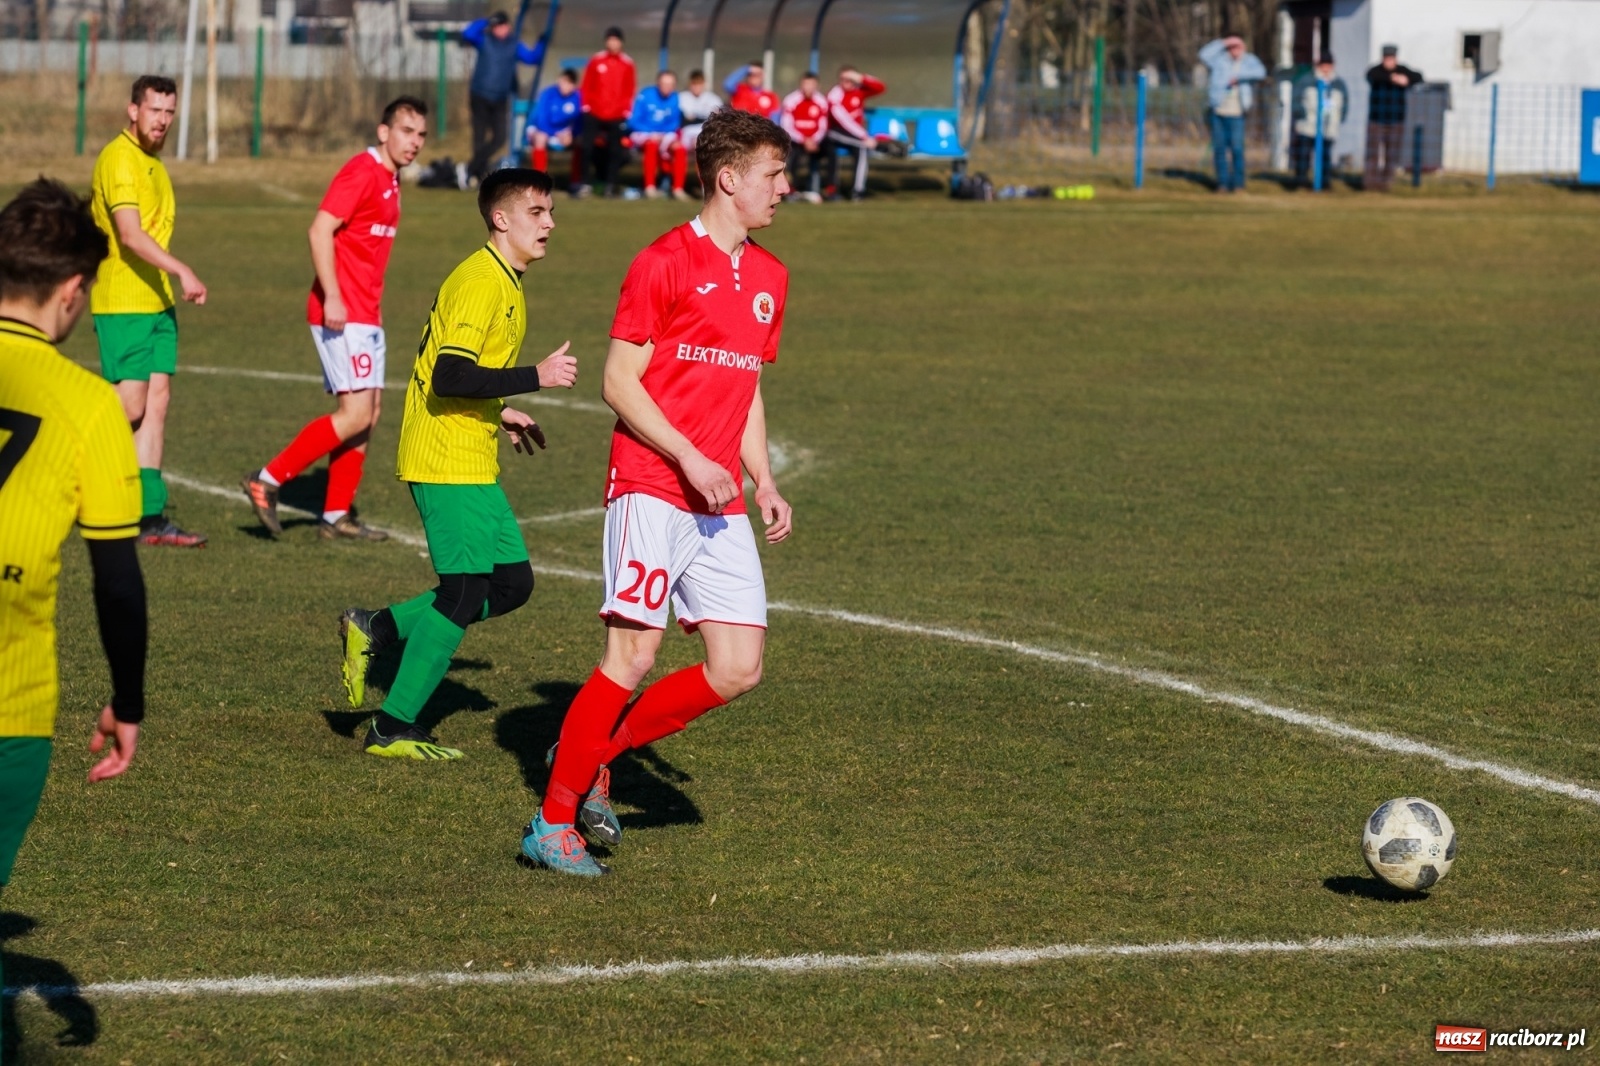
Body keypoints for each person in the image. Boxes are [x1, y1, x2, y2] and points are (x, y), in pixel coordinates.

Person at [523, 108, 794, 877]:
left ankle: (599, 752)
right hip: (650, 481)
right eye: (773, 175)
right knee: (632, 655)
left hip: (719, 500)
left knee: (739, 666)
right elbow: (618, 382)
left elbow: (744, 388)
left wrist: (761, 479)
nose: (785, 189)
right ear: (728, 178)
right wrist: (686, 455)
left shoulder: (770, 277)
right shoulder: (662, 262)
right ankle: (549, 824)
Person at [338, 169, 578, 760]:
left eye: (550, 213)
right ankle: (391, 727)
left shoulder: (506, 280)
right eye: (536, 212)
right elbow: (449, 373)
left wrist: (501, 410)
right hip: (445, 456)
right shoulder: (481, 283)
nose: (549, 223)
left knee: (512, 583)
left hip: (470, 450)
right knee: (464, 592)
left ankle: (378, 628)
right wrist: (536, 378)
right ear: (501, 219)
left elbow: (455, 375)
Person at [0, 180, 149, 1018]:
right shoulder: (91, 405)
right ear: (71, 293)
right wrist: (126, 700)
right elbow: (116, 580)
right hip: (10, 710)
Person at [241, 97, 428, 541]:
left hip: (367, 312)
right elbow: (319, 229)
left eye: (420, 134)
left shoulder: (391, 177)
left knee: (370, 413)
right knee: (355, 412)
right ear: (384, 132)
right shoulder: (361, 171)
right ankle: (267, 479)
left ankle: (335, 516)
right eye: (406, 131)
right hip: (342, 311)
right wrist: (334, 297)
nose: (415, 142)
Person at [89, 74, 208, 547]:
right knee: (131, 404)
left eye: (168, 112)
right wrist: (183, 270)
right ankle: (52, 454)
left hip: (155, 302)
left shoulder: (152, 161)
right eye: (153, 109)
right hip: (123, 301)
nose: (161, 120)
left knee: (155, 404)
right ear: (132, 110)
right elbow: (131, 236)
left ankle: (149, 516)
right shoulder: (120, 159)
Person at [461, 10, 548, 185]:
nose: (498, 29)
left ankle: (471, 169)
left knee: (500, 137)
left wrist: (542, 41)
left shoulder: (514, 44)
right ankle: (477, 175)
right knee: (479, 138)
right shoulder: (484, 40)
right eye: (495, 26)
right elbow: (468, 33)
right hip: (480, 95)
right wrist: (486, 21)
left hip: (500, 98)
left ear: (508, 26)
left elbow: (532, 58)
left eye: (501, 25)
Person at [1197, 36, 1266, 193]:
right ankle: (1222, 184)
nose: (1234, 50)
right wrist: (1224, 42)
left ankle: (1238, 185)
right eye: (1231, 47)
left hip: (1237, 113)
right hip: (1217, 109)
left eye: (1238, 46)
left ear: (1243, 47)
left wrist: (1238, 77)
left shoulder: (1249, 61)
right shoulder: (1220, 60)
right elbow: (1203, 55)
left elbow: (1261, 72)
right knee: (1220, 149)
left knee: (1237, 149)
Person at [577, 27, 637, 198]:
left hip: (616, 113)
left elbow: (629, 88)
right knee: (587, 147)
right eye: (610, 39)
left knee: (615, 150)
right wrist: (586, 105)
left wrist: (625, 109)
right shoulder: (596, 60)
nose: (613, 43)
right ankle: (584, 183)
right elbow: (587, 85)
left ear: (621, 42)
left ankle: (610, 185)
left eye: (616, 40)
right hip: (594, 111)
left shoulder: (627, 63)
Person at [1364, 45, 1423, 192]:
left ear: (1395, 58)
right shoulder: (1376, 71)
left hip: (1396, 120)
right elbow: (1371, 75)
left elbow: (1419, 77)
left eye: (1391, 58)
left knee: (1392, 154)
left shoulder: (1403, 70)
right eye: (1386, 57)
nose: (1389, 60)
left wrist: (1405, 79)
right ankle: (1370, 184)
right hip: (1376, 119)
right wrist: (1392, 78)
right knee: (1373, 154)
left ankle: (1386, 183)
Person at [823, 65, 886, 201]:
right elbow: (843, 121)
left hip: (854, 136)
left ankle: (858, 191)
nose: (846, 82)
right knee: (863, 144)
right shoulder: (835, 95)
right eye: (843, 79)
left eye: (850, 78)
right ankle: (831, 189)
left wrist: (861, 77)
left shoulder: (859, 92)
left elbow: (880, 87)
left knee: (862, 149)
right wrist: (864, 137)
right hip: (836, 133)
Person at [1291, 55, 1347, 190]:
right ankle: (1301, 182)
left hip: (1329, 127)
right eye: (1323, 65)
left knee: (1326, 156)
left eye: (1328, 65)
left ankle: (1324, 182)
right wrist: (1301, 115)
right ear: (1318, 65)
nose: (1326, 68)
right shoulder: (1307, 80)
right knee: (1303, 154)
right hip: (1308, 125)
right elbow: (1296, 100)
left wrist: (1339, 119)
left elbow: (1345, 104)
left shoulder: (1338, 82)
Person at [631, 70, 688, 200]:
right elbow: (633, 121)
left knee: (679, 148)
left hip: (665, 134)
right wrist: (652, 133)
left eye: (670, 84)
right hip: (643, 133)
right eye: (664, 83)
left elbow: (675, 123)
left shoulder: (675, 98)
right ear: (658, 83)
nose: (667, 87)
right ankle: (649, 187)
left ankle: (678, 189)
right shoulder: (645, 95)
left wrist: (662, 134)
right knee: (652, 144)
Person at [530, 68, 584, 189]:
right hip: (545, 131)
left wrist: (572, 133)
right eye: (563, 81)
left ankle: (576, 182)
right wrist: (556, 133)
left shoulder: (578, 97)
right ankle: (540, 181)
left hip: (565, 135)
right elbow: (541, 119)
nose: (564, 86)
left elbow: (580, 120)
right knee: (540, 138)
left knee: (581, 141)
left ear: (574, 85)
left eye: (568, 83)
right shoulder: (548, 94)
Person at [781, 71, 830, 201]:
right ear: (801, 85)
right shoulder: (791, 100)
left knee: (831, 150)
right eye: (805, 84)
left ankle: (830, 189)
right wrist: (804, 140)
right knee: (790, 156)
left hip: (815, 141)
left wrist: (814, 140)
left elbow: (823, 126)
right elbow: (787, 126)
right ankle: (790, 190)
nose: (808, 87)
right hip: (797, 140)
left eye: (811, 84)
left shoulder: (821, 101)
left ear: (816, 86)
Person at [677, 69, 723, 163]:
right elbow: (684, 120)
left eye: (699, 84)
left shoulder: (713, 99)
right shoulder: (682, 98)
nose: (696, 87)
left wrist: (695, 118)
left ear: (703, 84)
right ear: (690, 84)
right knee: (697, 143)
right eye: (694, 84)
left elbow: (718, 119)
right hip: (688, 132)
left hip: (705, 130)